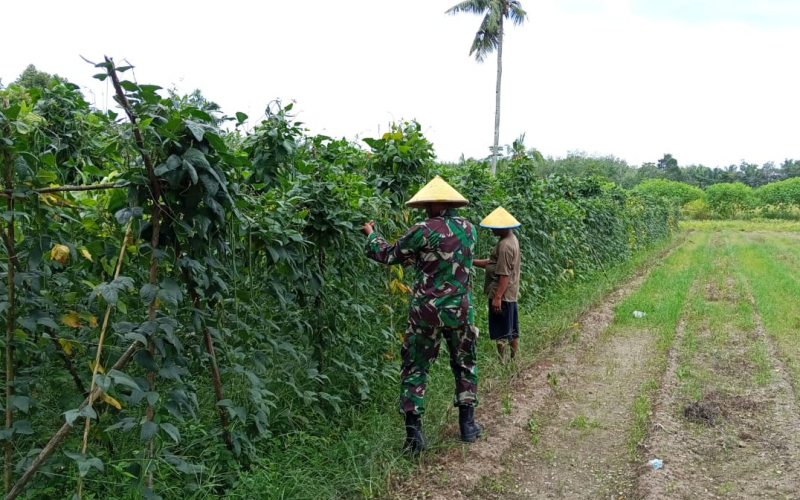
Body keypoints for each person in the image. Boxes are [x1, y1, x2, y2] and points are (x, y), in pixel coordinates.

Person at [361, 175, 481, 455]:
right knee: (465, 364)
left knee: (415, 368)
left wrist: (370, 233)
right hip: (460, 310)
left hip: (426, 312)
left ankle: (414, 438)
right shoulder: (469, 228)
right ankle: (467, 425)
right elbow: (445, 258)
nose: (425, 209)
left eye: (427, 204)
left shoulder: (423, 230)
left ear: (435, 204)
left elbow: (388, 254)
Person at [473, 206, 522, 362]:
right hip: (510, 293)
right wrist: (472, 261)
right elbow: (493, 263)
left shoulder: (505, 246)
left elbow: (504, 274)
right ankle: (513, 360)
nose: (492, 229)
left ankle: (503, 362)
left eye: (494, 227)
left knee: (501, 331)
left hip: (502, 293)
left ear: (503, 227)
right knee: (511, 329)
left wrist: (497, 297)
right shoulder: (511, 239)